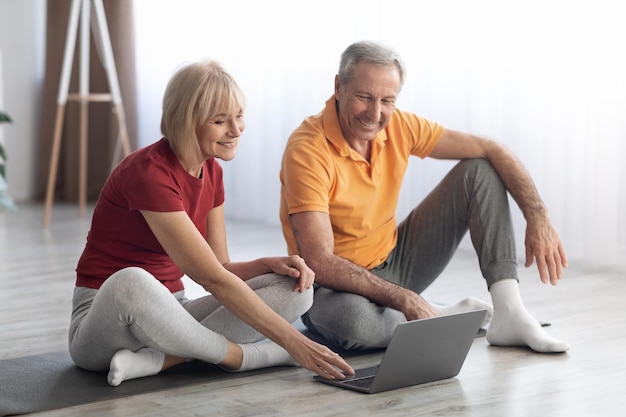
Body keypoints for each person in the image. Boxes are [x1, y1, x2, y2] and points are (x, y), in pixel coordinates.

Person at [69, 60, 353, 387]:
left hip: (174, 316)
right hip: (106, 321)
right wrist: (295, 342)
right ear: (186, 123)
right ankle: (243, 357)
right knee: (132, 281)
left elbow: (220, 267)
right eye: (220, 121)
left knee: (297, 290)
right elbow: (212, 279)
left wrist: (268, 265)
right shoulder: (148, 174)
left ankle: (162, 359)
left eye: (239, 115)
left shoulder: (212, 171)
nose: (235, 130)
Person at [279, 40, 570, 354]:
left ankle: (509, 312)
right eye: (364, 97)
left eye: (387, 100)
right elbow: (319, 262)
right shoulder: (307, 150)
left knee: (479, 170)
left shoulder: (401, 126)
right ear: (339, 87)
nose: (375, 113)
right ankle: (441, 315)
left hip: (397, 263)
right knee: (355, 326)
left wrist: (537, 214)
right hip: (333, 287)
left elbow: (491, 148)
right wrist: (406, 298)